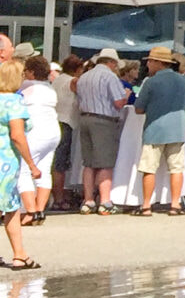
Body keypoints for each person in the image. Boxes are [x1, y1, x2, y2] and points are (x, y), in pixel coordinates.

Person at [133, 44, 185, 215]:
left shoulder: (151, 82)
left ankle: (146, 206)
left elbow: (138, 109)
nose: (148, 64)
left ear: (159, 63)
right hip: (177, 129)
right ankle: (175, 204)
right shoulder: (183, 80)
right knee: (176, 168)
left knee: (149, 168)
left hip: (154, 130)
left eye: (150, 61)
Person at [74, 47, 128, 213]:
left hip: (85, 118)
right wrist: (126, 95)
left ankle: (88, 200)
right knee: (105, 162)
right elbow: (118, 103)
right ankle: (105, 202)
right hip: (104, 120)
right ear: (111, 62)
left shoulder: (84, 77)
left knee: (88, 162)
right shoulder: (110, 77)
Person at [0, 60, 38, 271]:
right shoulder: (14, 102)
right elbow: (17, 136)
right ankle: (19, 254)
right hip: (5, 161)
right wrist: (32, 164)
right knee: (11, 207)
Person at [18, 57, 59, 226]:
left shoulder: (27, 86)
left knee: (23, 170)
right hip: (53, 131)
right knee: (44, 170)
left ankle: (30, 211)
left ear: (32, 72)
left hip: (35, 131)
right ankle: (40, 210)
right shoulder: (50, 88)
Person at [52, 54, 81, 212]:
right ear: (77, 69)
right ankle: (59, 199)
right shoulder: (73, 81)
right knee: (60, 163)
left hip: (56, 119)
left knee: (56, 161)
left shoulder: (57, 79)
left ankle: (58, 196)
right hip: (66, 122)